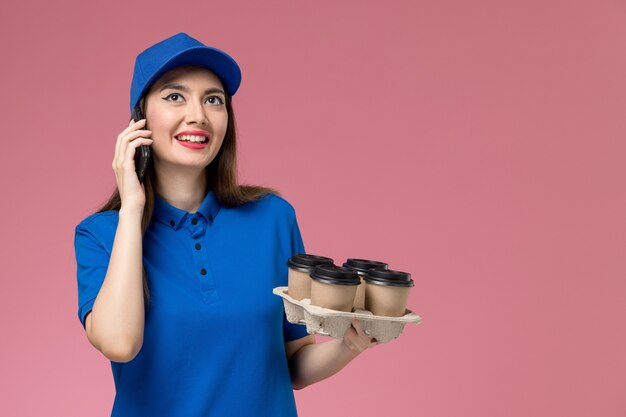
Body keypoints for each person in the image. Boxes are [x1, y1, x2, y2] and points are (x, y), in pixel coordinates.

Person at [74, 32, 378, 416]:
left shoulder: (273, 218)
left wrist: (351, 344)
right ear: (139, 120)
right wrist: (132, 208)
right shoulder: (99, 235)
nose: (198, 115)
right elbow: (119, 343)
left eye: (213, 100)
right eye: (174, 96)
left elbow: (292, 364)